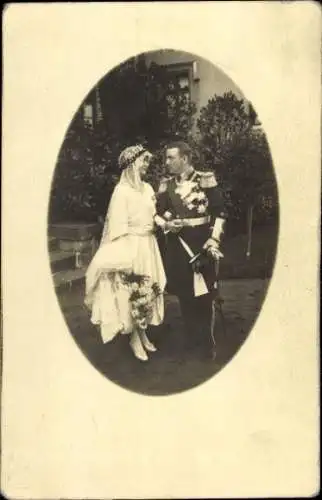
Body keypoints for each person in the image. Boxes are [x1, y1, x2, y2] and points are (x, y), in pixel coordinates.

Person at [85, 144, 166, 362]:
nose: (146, 166)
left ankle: (143, 331)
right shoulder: (121, 192)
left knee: (148, 289)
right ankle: (133, 338)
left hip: (149, 245)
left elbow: (153, 213)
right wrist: (123, 256)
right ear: (131, 165)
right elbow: (117, 228)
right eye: (143, 161)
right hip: (131, 246)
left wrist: (162, 222)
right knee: (131, 290)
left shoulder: (148, 188)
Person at [154, 141, 228, 359]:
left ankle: (207, 343)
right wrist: (167, 224)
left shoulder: (205, 180)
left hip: (202, 244)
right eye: (166, 158)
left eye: (170, 158)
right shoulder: (166, 184)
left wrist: (214, 240)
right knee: (186, 295)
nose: (166, 162)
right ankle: (191, 340)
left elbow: (220, 213)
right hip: (178, 246)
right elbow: (157, 213)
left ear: (184, 159)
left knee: (205, 296)